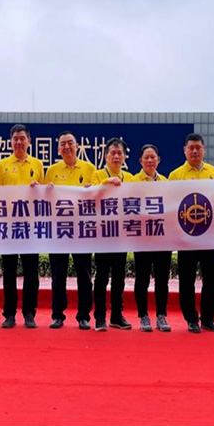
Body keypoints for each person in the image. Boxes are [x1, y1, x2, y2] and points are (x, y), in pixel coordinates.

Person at [168, 133, 214, 333]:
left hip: (210, 236)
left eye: (198, 147)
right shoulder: (176, 175)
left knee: (211, 279)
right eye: (190, 148)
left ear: (204, 149)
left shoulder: (213, 172)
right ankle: (191, 318)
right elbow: (170, 205)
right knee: (187, 280)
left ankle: (208, 318)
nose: (194, 151)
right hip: (186, 237)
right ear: (184, 150)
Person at [0, 124, 44, 328]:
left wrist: (38, 189)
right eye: (15, 138)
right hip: (9, 227)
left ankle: (29, 313)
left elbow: (44, 197)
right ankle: (9, 314)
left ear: (29, 141)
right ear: (11, 142)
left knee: (31, 272)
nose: (19, 142)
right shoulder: (2, 165)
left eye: (23, 138)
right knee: (9, 271)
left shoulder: (38, 164)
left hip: (30, 227)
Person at [44, 131, 96, 330]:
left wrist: (92, 189)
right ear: (58, 149)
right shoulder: (51, 171)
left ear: (77, 146)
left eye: (70, 143)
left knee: (84, 274)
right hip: (59, 230)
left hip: (82, 230)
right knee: (58, 275)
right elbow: (44, 200)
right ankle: (58, 315)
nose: (67, 147)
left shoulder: (90, 168)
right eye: (63, 144)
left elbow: (97, 198)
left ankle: (84, 315)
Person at [90, 137, 133, 332]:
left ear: (124, 157)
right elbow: (91, 195)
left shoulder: (130, 178)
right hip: (102, 235)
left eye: (119, 153)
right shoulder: (97, 174)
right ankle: (99, 317)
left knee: (119, 277)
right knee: (101, 277)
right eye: (112, 153)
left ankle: (116, 315)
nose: (116, 156)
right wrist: (107, 182)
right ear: (106, 156)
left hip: (121, 235)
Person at [131, 144, 172, 332]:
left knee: (162, 279)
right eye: (146, 158)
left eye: (152, 157)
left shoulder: (166, 182)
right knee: (142, 279)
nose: (149, 161)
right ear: (140, 161)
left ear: (158, 160)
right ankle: (143, 316)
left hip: (162, 238)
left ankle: (161, 315)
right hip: (142, 239)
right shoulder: (132, 182)